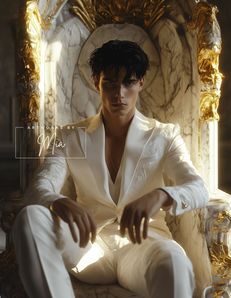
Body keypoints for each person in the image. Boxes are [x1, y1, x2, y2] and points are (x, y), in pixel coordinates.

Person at [13, 40, 209, 298]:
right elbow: (38, 188)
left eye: (128, 82)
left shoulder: (165, 135)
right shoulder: (69, 135)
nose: (120, 94)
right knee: (30, 219)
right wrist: (57, 200)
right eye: (110, 83)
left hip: (143, 246)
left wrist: (160, 195)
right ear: (96, 81)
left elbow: (198, 189)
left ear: (141, 83)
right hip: (87, 243)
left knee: (174, 259)